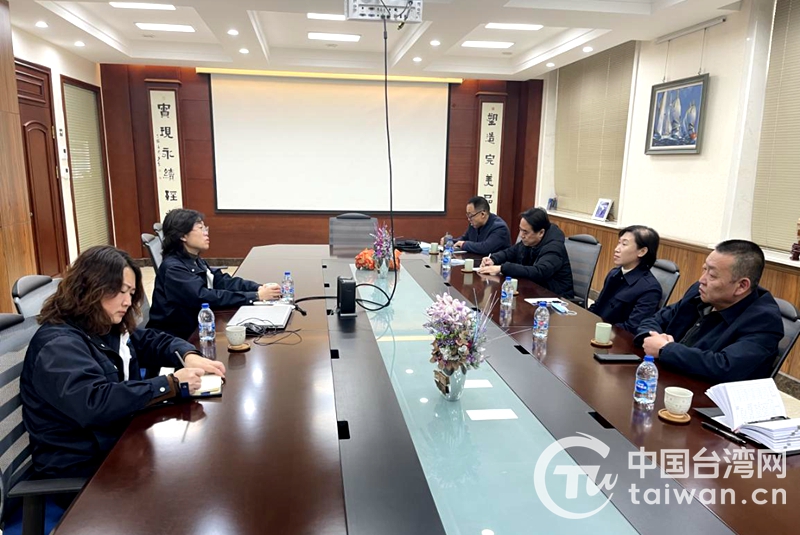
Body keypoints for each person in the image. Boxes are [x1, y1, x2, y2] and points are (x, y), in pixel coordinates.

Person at [21, 246, 225, 482]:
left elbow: (150, 341)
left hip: (117, 441)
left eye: (131, 293)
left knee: (201, 454)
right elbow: (95, 403)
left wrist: (188, 354)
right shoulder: (58, 346)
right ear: (91, 287)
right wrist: (169, 384)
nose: (128, 302)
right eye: (121, 292)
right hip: (83, 467)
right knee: (195, 473)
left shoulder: (98, 323)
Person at [635, 240, 783, 383]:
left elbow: (724, 367)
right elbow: (654, 320)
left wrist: (665, 349)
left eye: (712, 275)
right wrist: (652, 339)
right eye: (704, 269)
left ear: (741, 286)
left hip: (708, 395)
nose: (702, 280)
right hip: (669, 378)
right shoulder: (699, 293)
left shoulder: (764, 321)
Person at [148, 209, 281, 340]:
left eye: (205, 228)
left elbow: (222, 281)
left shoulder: (193, 259)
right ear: (183, 236)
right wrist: (255, 296)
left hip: (197, 329)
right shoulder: (174, 269)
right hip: (175, 339)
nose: (206, 233)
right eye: (200, 228)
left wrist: (258, 288)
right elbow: (203, 296)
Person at [477, 207, 574, 298]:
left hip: (556, 298)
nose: (521, 235)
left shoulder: (554, 248)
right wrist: (493, 259)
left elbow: (539, 272)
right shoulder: (530, 241)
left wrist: (502, 268)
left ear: (541, 233)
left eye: (525, 232)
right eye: (520, 230)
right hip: (534, 291)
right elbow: (510, 252)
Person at [589, 225, 662, 333]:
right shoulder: (614, 273)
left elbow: (632, 328)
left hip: (617, 339)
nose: (616, 249)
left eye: (624, 244)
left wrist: (600, 330)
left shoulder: (650, 289)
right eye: (619, 243)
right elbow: (597, 306)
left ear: (642, 251)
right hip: (597, 331)